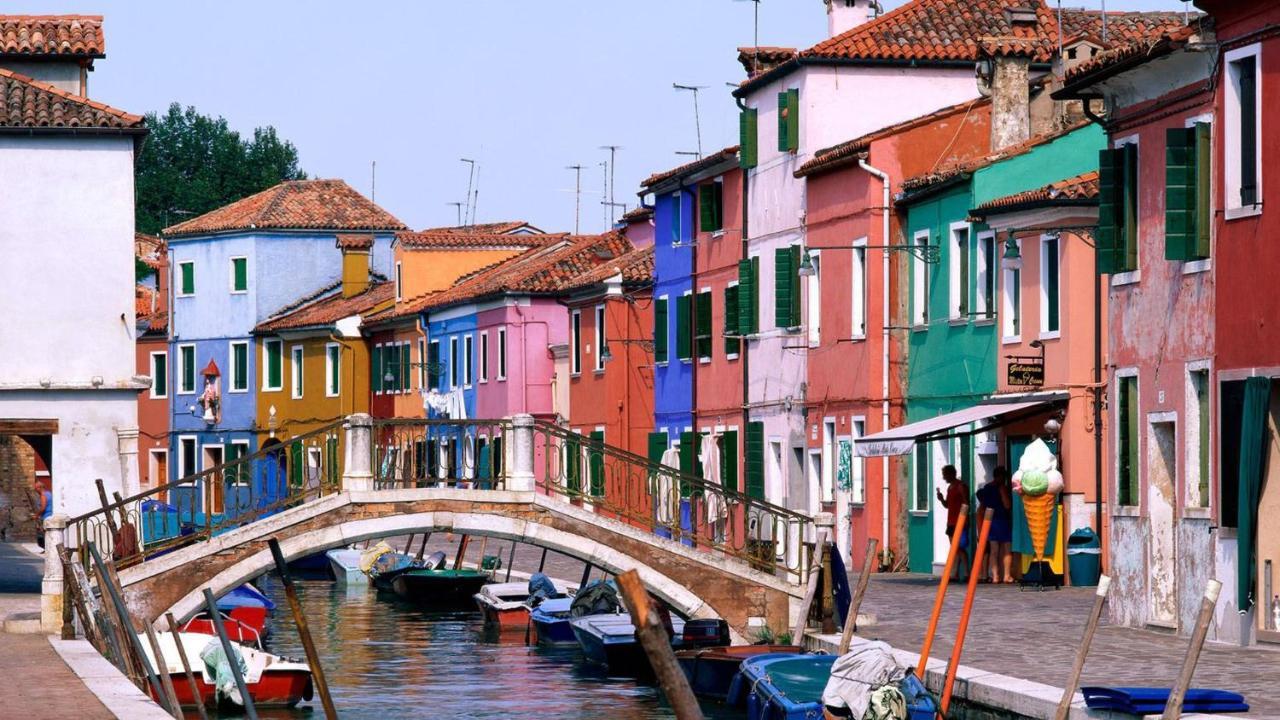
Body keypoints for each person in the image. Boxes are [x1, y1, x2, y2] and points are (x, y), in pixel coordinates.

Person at [977, 466, 1015, 583]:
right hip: (1002, 520)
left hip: (990, 521)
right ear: (1001, 476)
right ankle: (1007, 575)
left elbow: (982, 507)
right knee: (1007, 549)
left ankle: (995, 576)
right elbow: (1007, 505)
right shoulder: (1001, 487)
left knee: (994, 550)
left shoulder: (987, 488)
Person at [935, 465, 969, 581]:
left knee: (959, 547)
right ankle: (956, 573)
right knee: (954, 548)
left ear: (951, 474)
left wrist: (965, 519)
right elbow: (947, 506)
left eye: (945, 475)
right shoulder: (950, 488)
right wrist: (941, 499)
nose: (944, 478)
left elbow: (966, 503)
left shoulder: (960, 486)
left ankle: (965, 572)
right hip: (950, 522)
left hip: (959, 521)